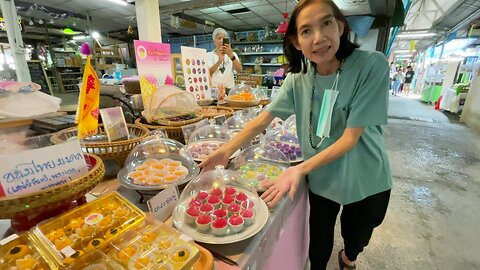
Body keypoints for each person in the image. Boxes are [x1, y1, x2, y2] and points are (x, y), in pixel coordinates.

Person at [200, 1, 392, 269]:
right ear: (296, 41)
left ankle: (349, 257)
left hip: (365, 174)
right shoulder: (297, 79)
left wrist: (299, 169)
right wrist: (225, 150)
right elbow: (260, 122)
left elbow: (351, 138)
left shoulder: (371, 66)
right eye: (306, 30)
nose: (319, 38)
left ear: (340, 26)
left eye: (326, 23)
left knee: (357, 236)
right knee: (319, 238)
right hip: (323, 175)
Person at [206, 28, 242, 92]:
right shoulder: (208, 55)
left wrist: (231, 55)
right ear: (214, 41)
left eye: (224, 38)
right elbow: (208, 73)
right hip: (214, 89)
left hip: (229, 89)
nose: (222, 41)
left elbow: (239, 70)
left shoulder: (233, 54)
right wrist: (219, 61)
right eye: (219, 38)